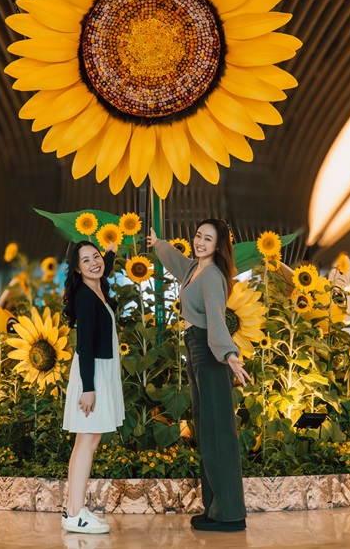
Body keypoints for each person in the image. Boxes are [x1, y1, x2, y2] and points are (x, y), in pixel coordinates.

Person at [150, 220, 251, 533]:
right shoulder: (195, 268)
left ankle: (231, 515)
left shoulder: (211, 276)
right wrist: (157, 244)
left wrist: (230, 355)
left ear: (218, 245)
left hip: (209, 351)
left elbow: (217, 319)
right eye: (198, 236)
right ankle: (216, 510)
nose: (200, 242)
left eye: (208, 239)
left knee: (219, 432)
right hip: (196, 349)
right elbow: (177, 263)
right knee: (206, 431)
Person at [60, 239, 121, 534]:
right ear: (76, 269)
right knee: (87, 441)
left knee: (87, 441)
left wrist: (109, 251)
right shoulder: (85, 297)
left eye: (95, 257)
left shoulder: (97, 284)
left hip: (100, 371)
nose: (94, 263)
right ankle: (74, 513)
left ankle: (73, 509)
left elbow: (104, 268)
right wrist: (88, 388)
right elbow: (83, 344)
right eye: (86, 261)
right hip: (92, 373)